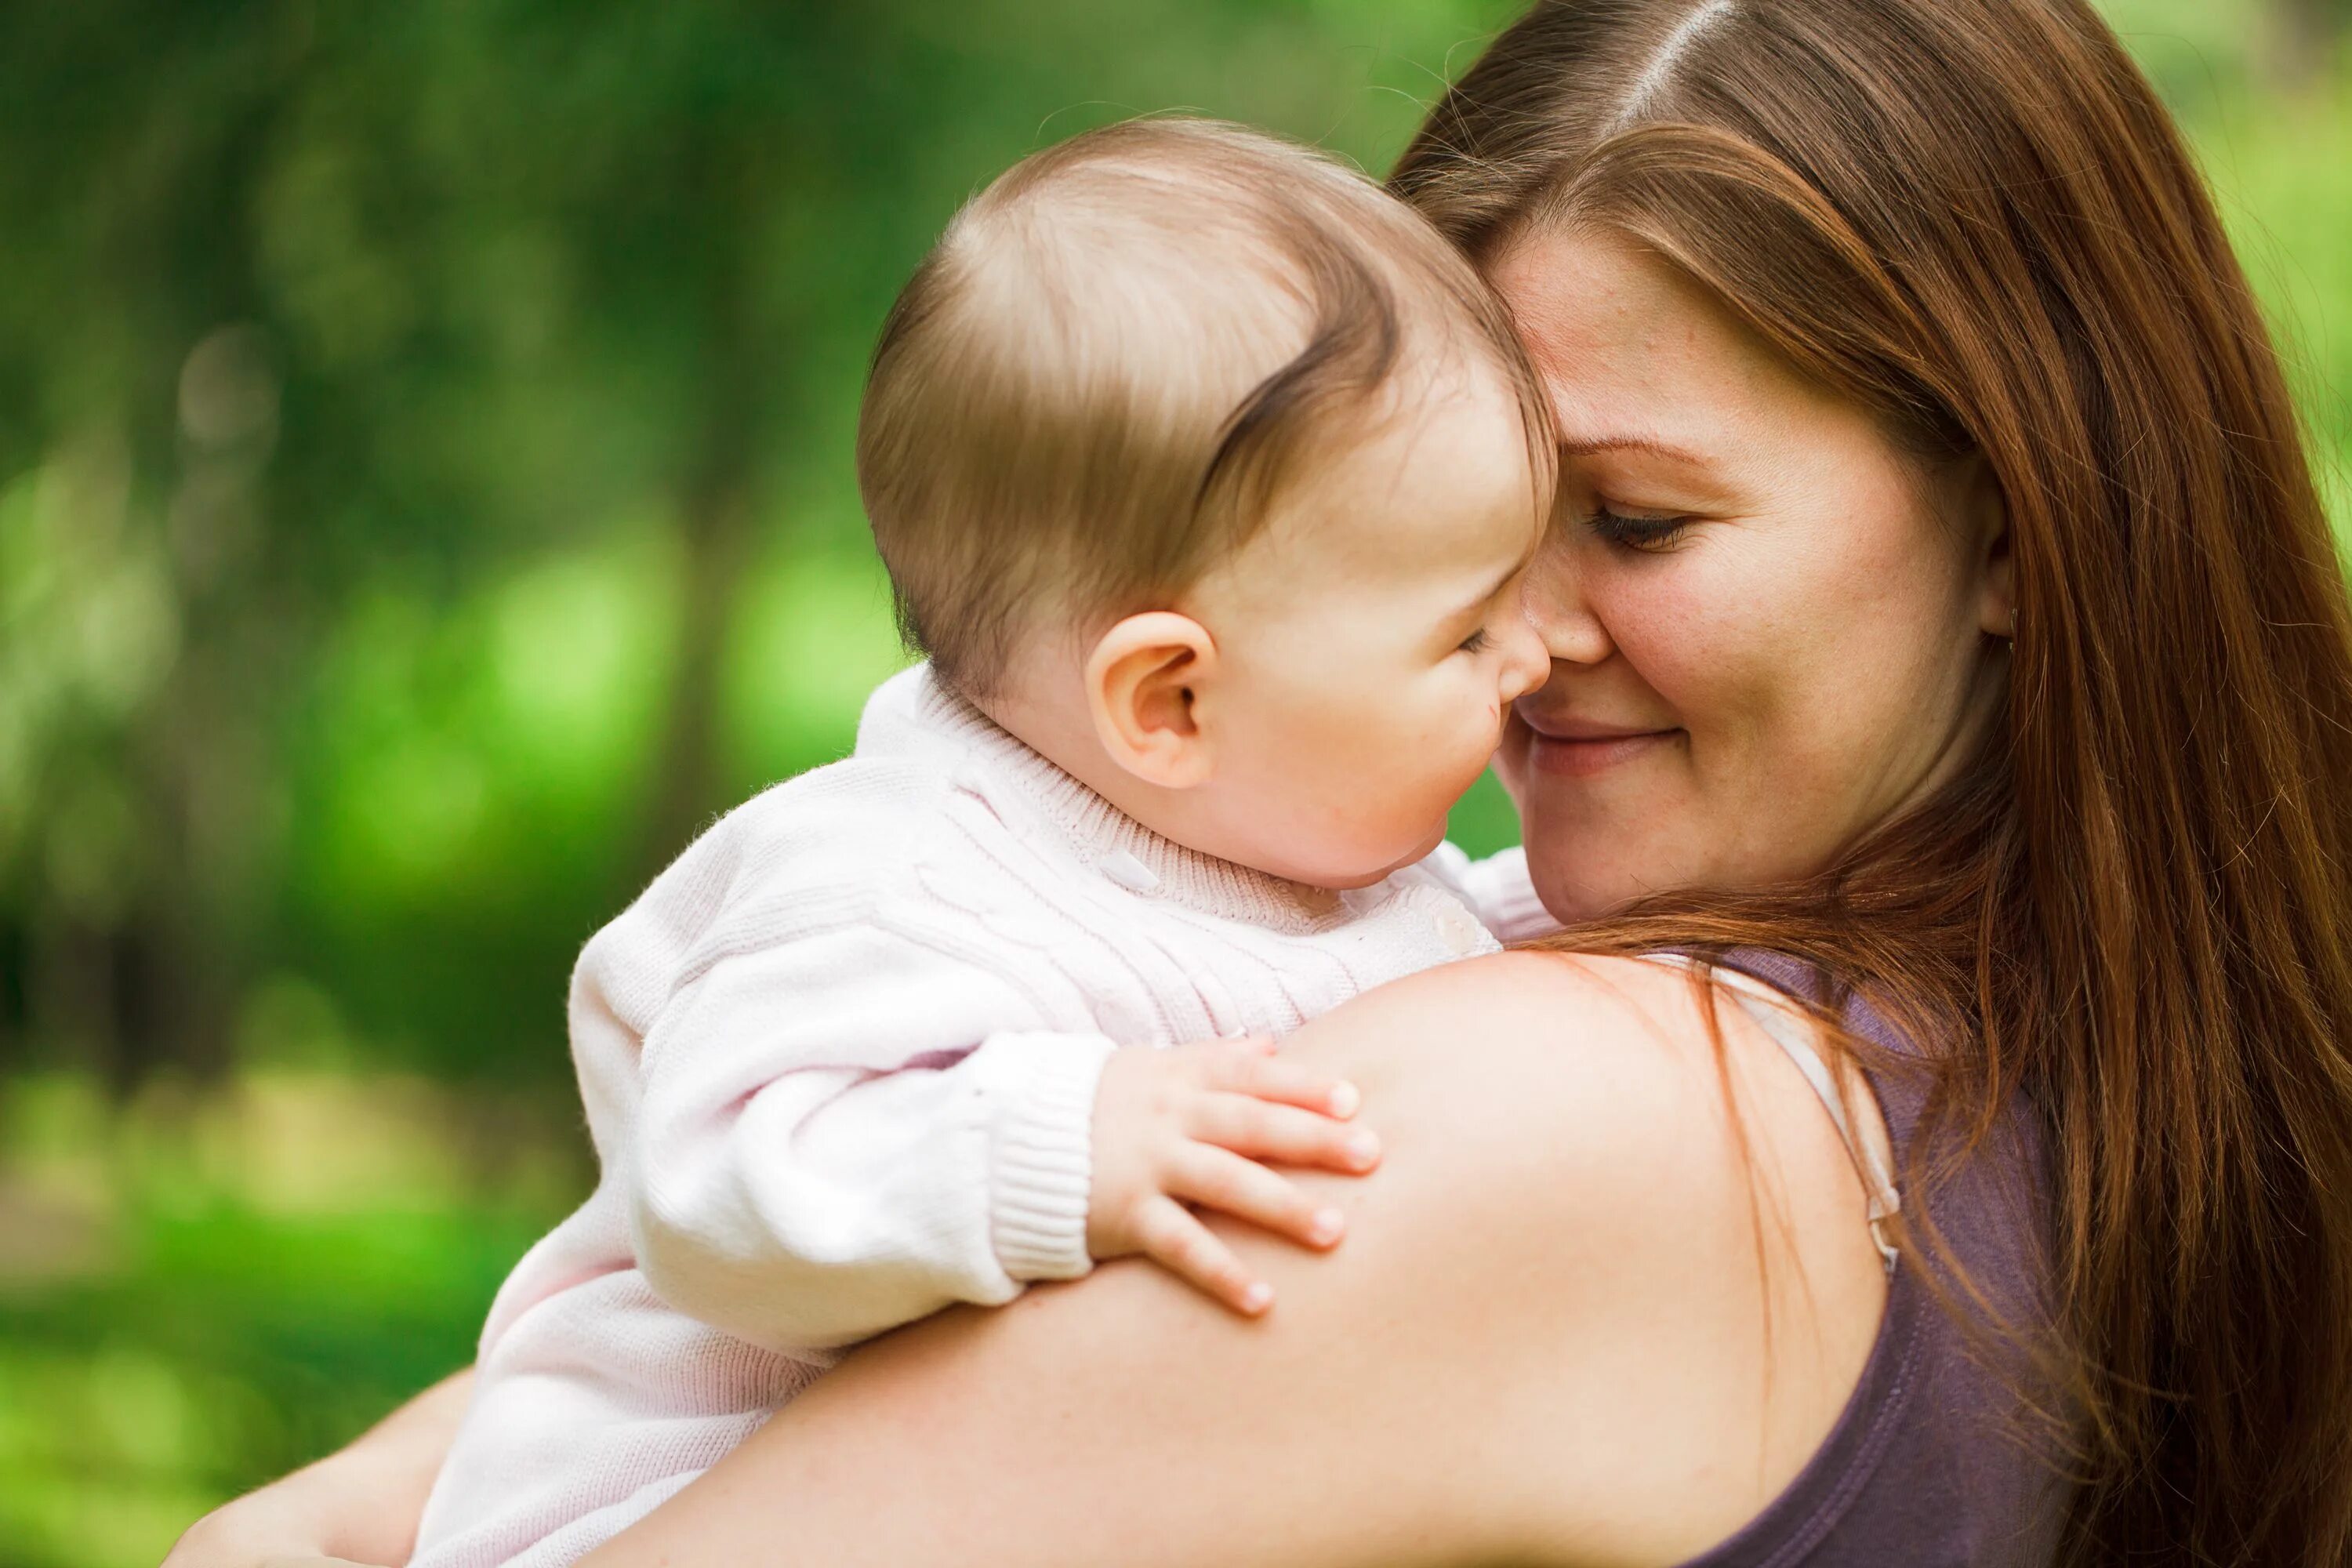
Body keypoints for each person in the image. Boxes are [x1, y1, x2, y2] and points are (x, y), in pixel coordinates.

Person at [165, 0, 2352, 1564]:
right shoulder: (2095, 1076)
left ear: (2014, 518)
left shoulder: (1592, 1114)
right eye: (1447, 551)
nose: (1523, 639)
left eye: (1643, 523)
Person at [401, 117, 1567, 1568]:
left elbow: (1452, 953)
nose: (1536, 651)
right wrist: (1058, 1143)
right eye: (1467, 628)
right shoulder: (888, 885)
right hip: (652, 1518)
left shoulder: (1275, 842)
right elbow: (714, 1184)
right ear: (1171, 698)